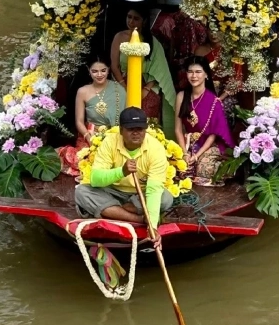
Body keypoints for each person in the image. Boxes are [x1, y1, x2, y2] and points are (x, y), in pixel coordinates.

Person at [74, 106, 173, 237]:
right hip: (112, 191)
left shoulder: (156, 148)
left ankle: (115, 211)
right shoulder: (109, 142)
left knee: (166, 198)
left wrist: (152, 226)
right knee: (81, 192)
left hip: (140, 195)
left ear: (145, 130)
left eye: (140, 129)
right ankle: (136, 218)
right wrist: (122, 172)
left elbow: (153, 190)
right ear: (121, 130)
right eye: (131, 129)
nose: (136, 133)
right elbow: (95, 179)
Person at [110, 7, 176, 136]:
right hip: (122, 82)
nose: (131, 21)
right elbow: (114, 66)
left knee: (147, 118)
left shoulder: (151, 41)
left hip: (147, 85)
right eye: (129, 17)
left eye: (136, 19)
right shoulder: (119, 37)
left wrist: (146, 89)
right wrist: (124, 86)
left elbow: (159, 69)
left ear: (144, 21)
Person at [58, 59, 127, 177]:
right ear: (88, 71)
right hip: (91, 135)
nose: (99, 75)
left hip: (115, 135)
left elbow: (125, 118)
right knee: (84, 163)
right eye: (95, 71)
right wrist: (88, 137)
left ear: (108, 69)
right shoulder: (83, 91)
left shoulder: (118, 90)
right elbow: (79, 121)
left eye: (103, 70)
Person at [174, 58, 233, 186]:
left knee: (204, 170)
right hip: (187, 143)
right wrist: (184, 153)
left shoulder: (214, 102)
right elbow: (178, 129)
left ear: (206, 74)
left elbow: (213, 135)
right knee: (177, 170)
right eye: (190, 72)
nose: (194, 76)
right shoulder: (181, 96)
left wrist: (197, 156)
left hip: (209, 145)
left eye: (198, 72)